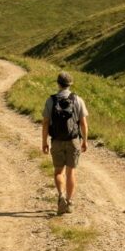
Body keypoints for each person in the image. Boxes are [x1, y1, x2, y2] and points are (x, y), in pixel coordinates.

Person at [41, 70, 89, 215]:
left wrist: (44, 142)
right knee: (71, 172)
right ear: (70, 84)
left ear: (58, 83)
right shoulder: (78, 100)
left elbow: (45, 123)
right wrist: (85, 141)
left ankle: (60, 195)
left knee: (58, 171)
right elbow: (83, 124)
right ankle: (68, 201)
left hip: (56, 140)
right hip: (73, 140)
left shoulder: (51, 101)